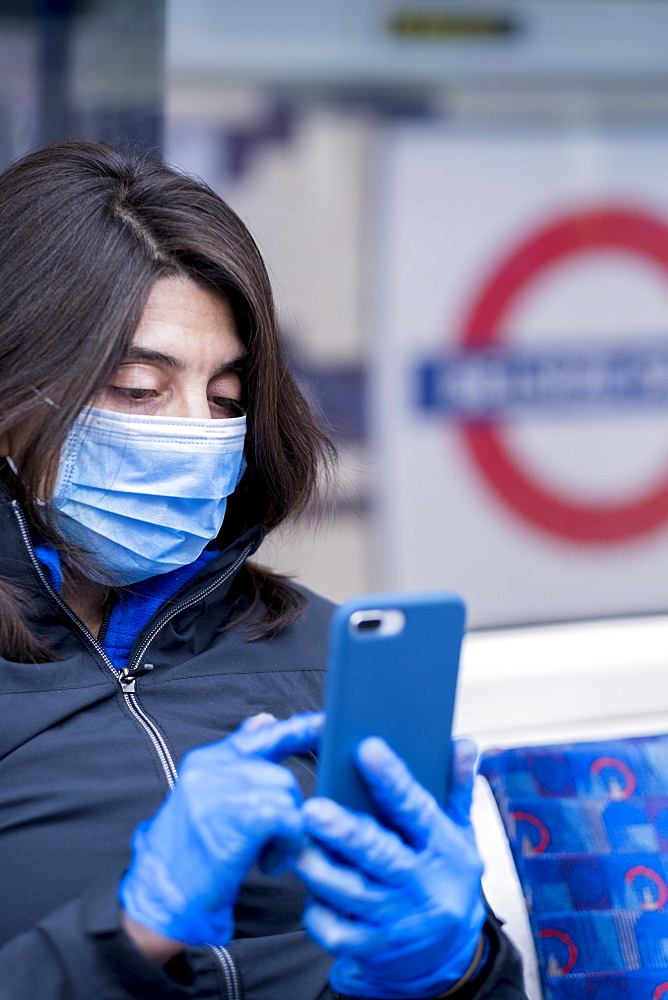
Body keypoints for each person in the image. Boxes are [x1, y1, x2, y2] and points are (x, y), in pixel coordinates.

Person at [0, 140, 526, 1000]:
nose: (195, 434)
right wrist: (129, 931)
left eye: (226, 399)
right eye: (138, 388)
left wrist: (455, 969)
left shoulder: (323, 651)